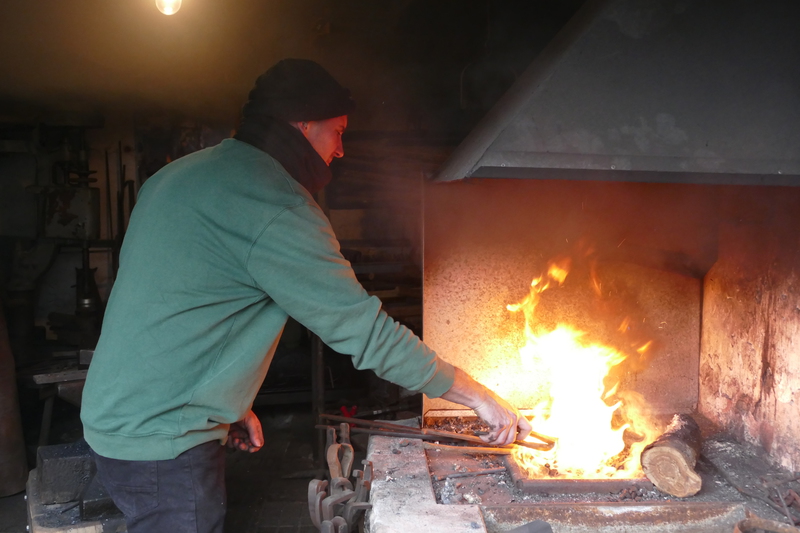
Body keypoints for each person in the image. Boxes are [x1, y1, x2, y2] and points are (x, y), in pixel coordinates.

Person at [80, 59, 531, 533]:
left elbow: (176, 301)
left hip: (116, 415)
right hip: (162, 445)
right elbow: (366, 333)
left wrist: (227, 402)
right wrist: (478, 397)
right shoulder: (274, 203)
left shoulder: (177, 176)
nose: (341, 149)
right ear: (302, 124)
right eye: (338, 132)